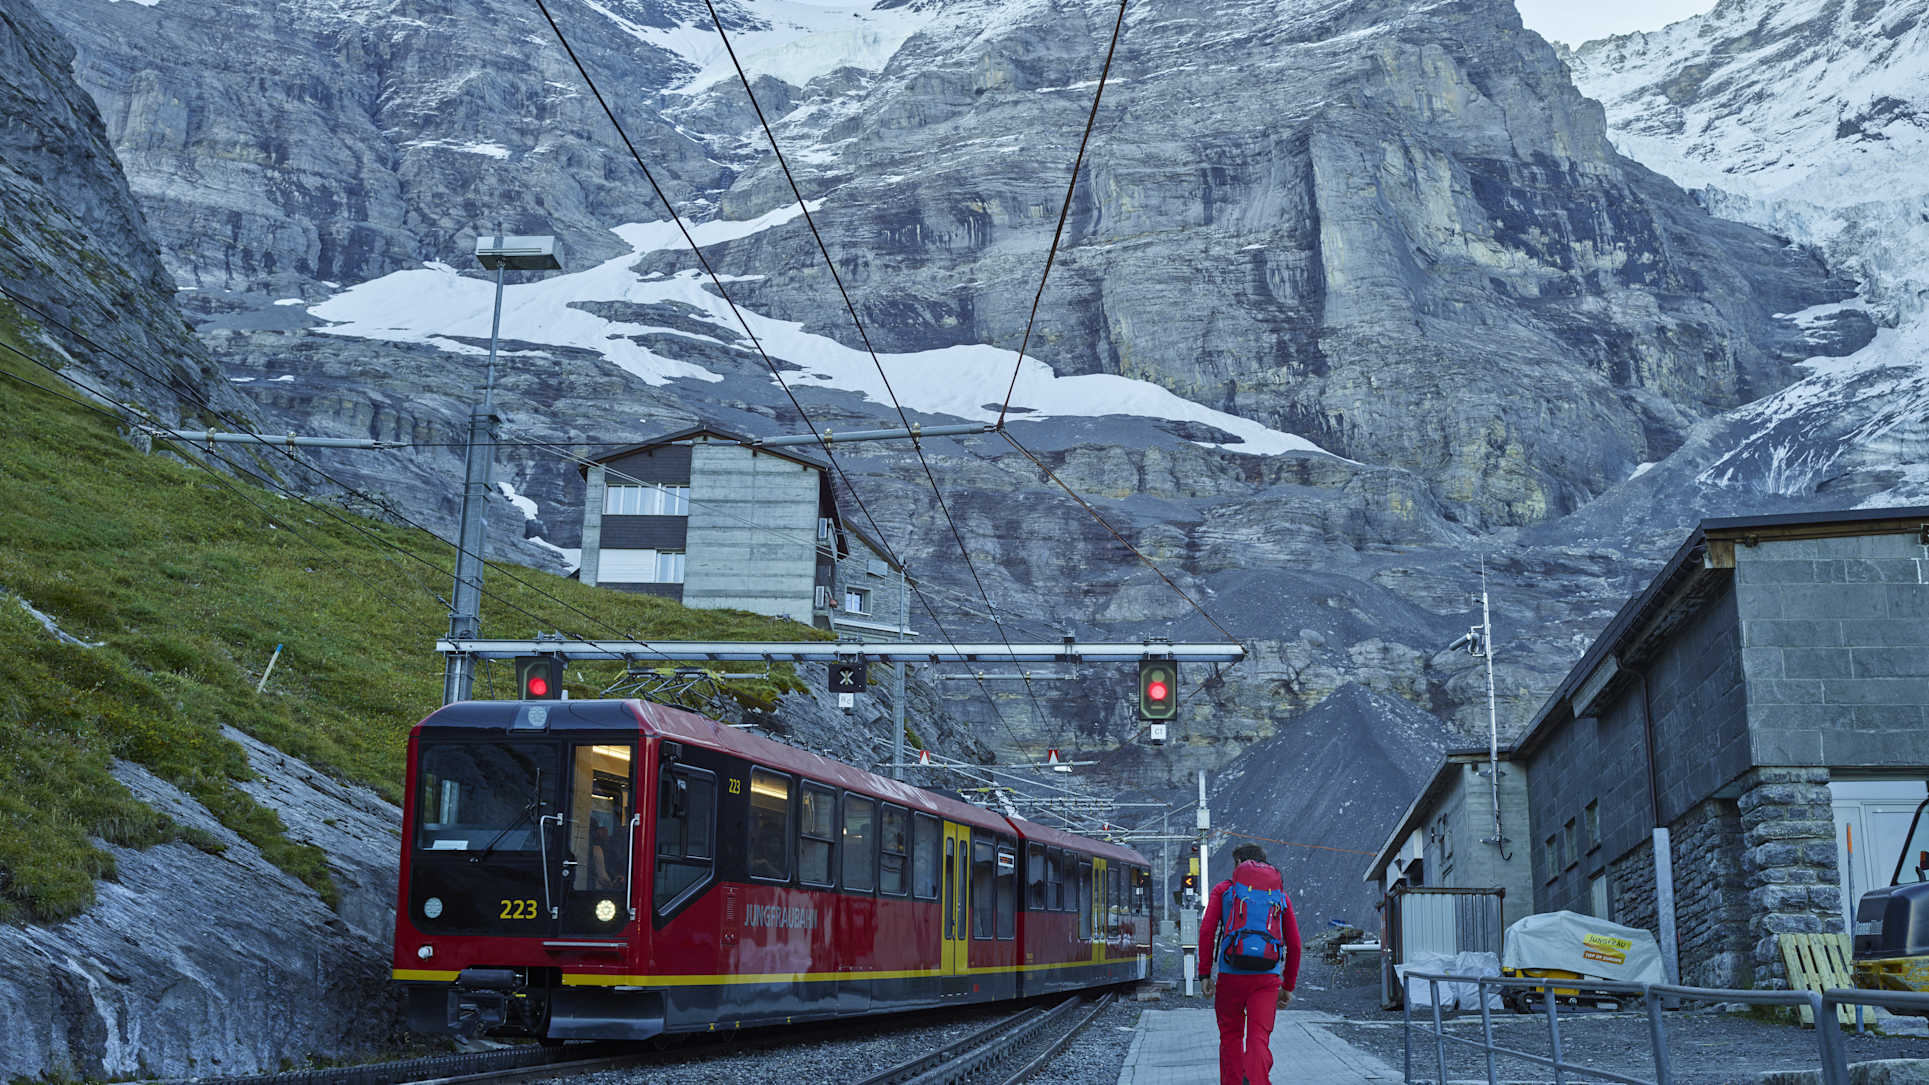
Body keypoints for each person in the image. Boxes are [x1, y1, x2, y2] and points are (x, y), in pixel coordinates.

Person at [1197, 843, 1301, 1085]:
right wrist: (1288, 986)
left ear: (1239, 863)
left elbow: (1207, 932)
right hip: (1266, 979)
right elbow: (1295, 944)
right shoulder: (1278, 896)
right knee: (1258, 1038)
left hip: (1230, 977)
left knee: (1231, 1037)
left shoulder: (1224, 891)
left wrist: (1204, 974)